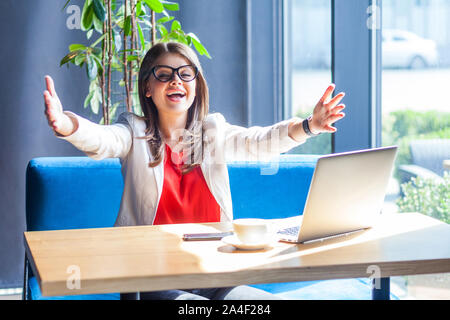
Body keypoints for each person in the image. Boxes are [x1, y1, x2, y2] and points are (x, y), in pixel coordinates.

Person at [43, 41, 346, 300]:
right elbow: (101, 140)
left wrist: (309, 125)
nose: (176, 81)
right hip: (151, 274)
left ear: (196, 86)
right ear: (148, 88)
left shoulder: (213, 132)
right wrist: (66, 124)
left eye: (185, 74)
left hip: (214, 271)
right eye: (164, 74)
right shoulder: (133, 133)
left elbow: (261, 141)